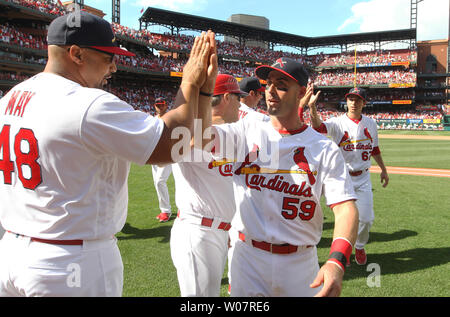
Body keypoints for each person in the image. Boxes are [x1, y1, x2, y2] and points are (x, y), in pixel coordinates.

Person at [0, 11, 217, 296]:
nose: (113, 66)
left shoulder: (11, 96)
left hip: (12, 252)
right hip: (68, 261)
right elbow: (173, 144)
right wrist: (190, 82)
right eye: (107, 57)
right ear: (76, 53)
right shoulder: (87, 102)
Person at [203, 57, 359, 297]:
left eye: (282, 84)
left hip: (300, 263)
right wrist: (200, 89)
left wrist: (336, 261)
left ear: (302, 92)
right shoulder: (245, 131)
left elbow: (345, 207)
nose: (271, 91)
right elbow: (196, 137)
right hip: (248, 258)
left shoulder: (323, 148)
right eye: (268, 83)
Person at [170, 74, 246, 296]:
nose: (240, 104)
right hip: (198, 230)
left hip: (222, 230)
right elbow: (188, 142)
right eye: (237, 98)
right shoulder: (191, 132)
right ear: (225, 99)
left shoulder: (233, 135)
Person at [307, 86, 389, 265]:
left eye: (358, 99)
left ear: (364, 103)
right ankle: (344, 250)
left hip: (364, 178)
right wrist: (312, 108)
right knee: (343, 216)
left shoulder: (371, 124)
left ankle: (359, 245)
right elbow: (318, 127)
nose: (353, 102)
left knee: (366, 219)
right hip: (342, 177)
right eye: (351, 99)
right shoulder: (338, 123)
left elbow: (374, 149)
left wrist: (383, 169)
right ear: (347, 101)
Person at [152, 97, 173, 223]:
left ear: (166, 106)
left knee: (160, 181)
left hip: (168, 154)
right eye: (157, 105)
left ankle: (166, 211)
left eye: (162, 105)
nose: (160, 107)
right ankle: (164, 209)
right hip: (155, 155)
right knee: (157, 182)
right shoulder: (153, 120)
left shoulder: (171, 118)